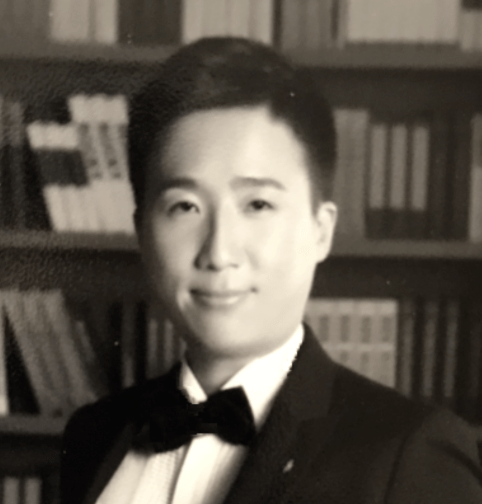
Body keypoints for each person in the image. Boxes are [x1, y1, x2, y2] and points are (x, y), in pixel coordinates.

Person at [60, 37, 482, 504]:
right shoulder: (94, 434)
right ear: (142, 231)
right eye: (185, 206)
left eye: (257, 204)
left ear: (320, 231)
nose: (219, 252)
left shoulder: (410, 452)